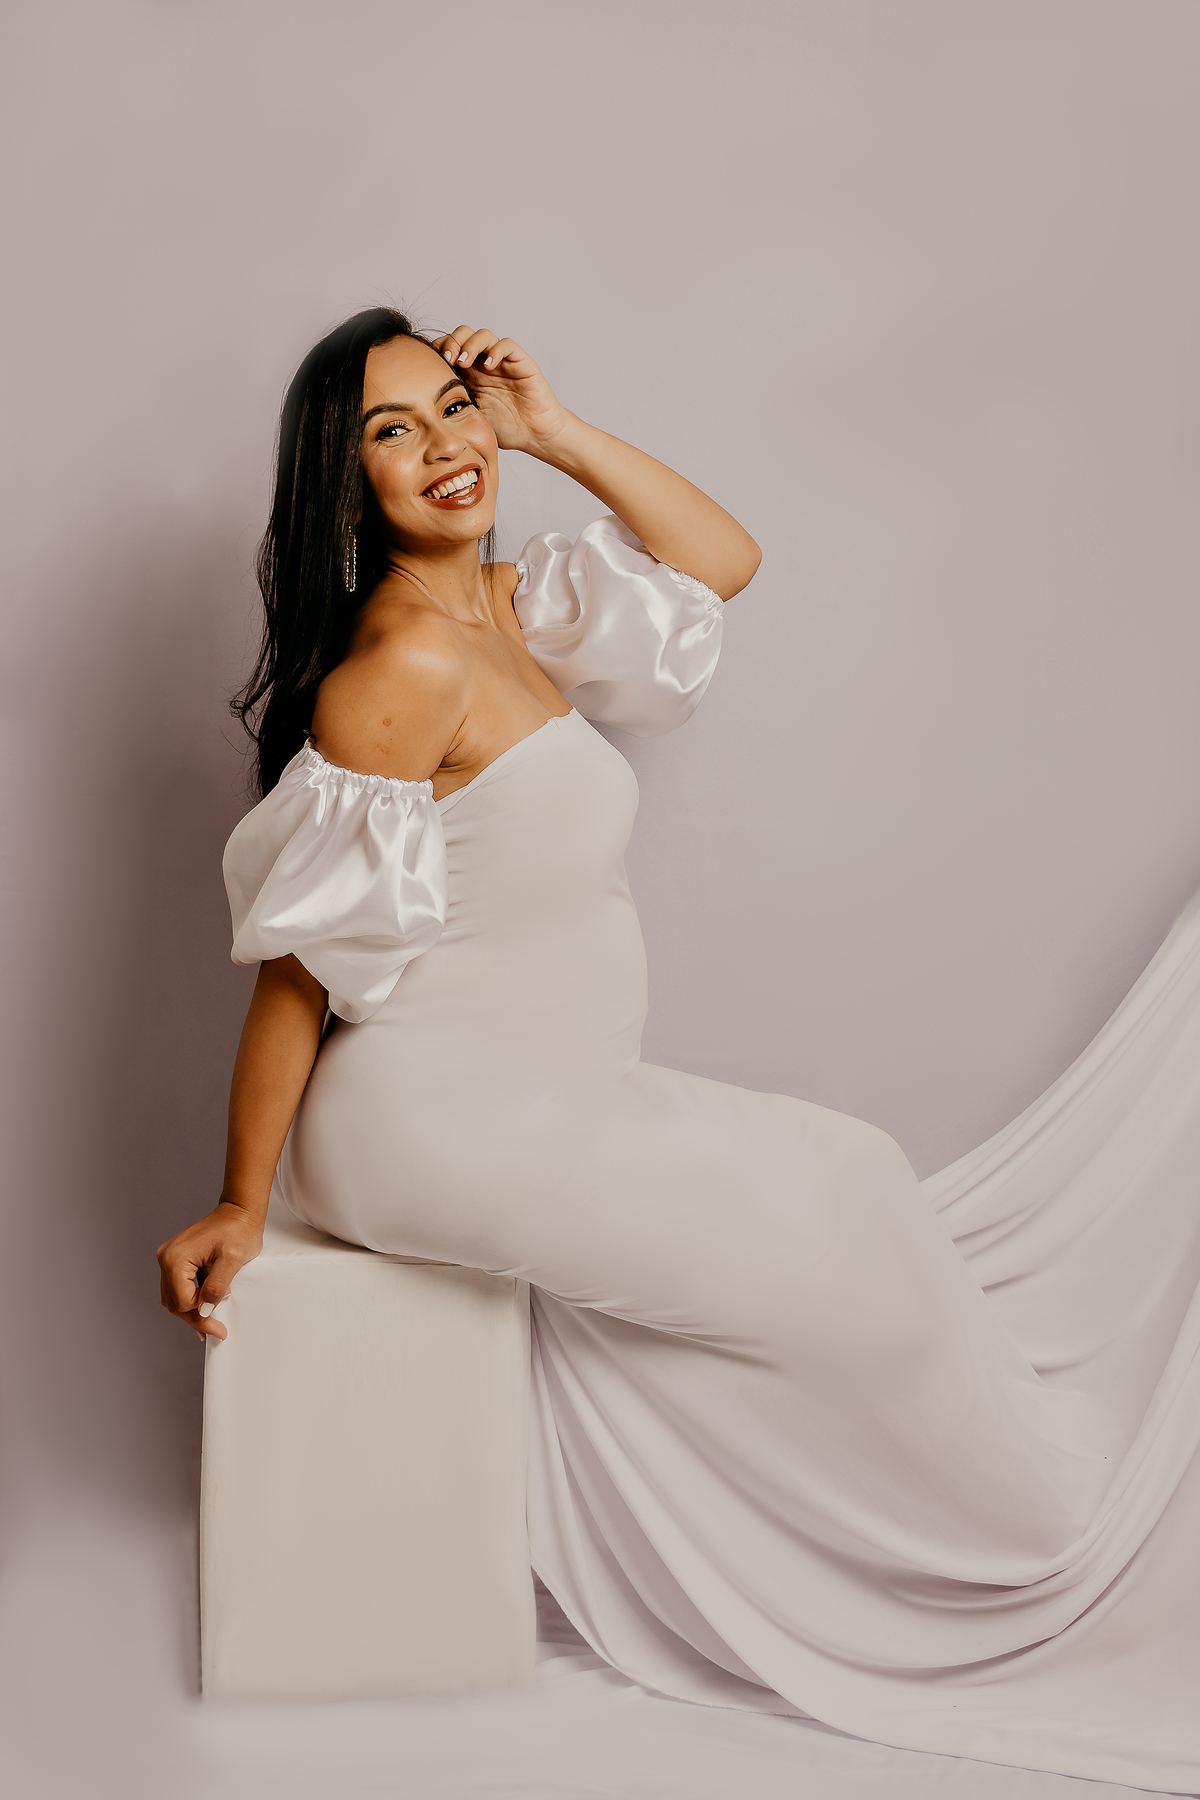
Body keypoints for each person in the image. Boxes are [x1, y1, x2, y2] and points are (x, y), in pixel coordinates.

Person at [157, 308, 1199, 1791]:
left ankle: (1017, 1530)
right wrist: (241, 1201)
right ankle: (1039, 1558)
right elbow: (299, 975)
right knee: (837, 1234)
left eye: (454, 405)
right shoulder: (400, 666)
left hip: (549, 1091)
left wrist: (554, 428)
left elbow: (721, 560)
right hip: (430, 1113)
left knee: (857, 1176)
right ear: (345, 480)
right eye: (394, 430)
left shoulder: (507, 609)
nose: (446, 444)